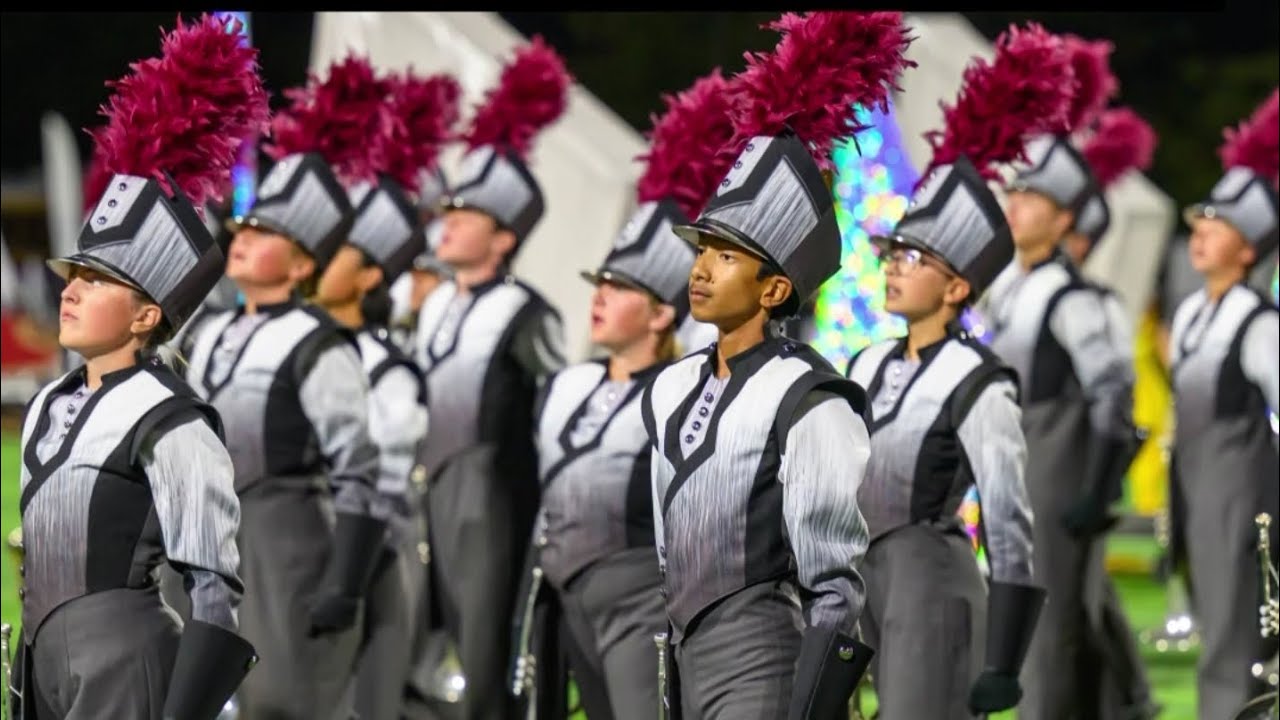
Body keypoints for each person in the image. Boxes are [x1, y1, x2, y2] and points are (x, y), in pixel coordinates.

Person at [642, 11, 916, 718]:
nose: (700, 269)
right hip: (681, 650)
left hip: (769, 656)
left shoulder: (809, 395)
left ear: (772, 288)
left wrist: (813, 708)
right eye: (701, 249)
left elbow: (836, 585)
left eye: (725, 255)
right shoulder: (672, 384)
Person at [10, 14, 265, 719]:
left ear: (148, 314)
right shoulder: (49, 401)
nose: (71, 289)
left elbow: (214, 586)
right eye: (73, 274)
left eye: (96, 281)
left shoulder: (170, 415)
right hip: (41, 661)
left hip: (128, 662)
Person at [844, 24, 1079, 715]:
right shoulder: (866, 359)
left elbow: (1007, 516)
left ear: (956, 289)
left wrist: (1004, 655)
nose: (892, 267)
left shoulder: (980, 379)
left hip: (931, 579)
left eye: (913, 260)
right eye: (892, 255)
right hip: (859, 574)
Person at [514, 67, 734, 720]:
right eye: (600, 283)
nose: (600, 298)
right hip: (563, 592)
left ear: (663, 313)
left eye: (622, 288)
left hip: (642, 597)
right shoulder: (566, 385)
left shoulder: (683, 392)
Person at [178, 56, 389, 720]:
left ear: (301, 262)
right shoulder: (208, 332)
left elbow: (358, 465)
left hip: (287, 546)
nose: (241, 238)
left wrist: (345, 580)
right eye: (242, 228)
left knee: (283, 704)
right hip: (204, 538)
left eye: (264, 233)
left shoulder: (318, 340)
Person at [408, 38, 570, 720]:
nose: (447, 224)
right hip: (430, 489)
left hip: (495, 498)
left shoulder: (527, 311)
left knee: (485, 653)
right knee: (418, 648)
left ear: (503, 237)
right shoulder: (434, 301)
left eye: (465, 216)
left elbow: (558, 407)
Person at [1169, 88, 1279, 720]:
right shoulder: (1191, 312)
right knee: (1213, 626)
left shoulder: (1259, 322)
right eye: (1201, 223)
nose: (1202, 234)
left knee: (1238, 643)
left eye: (1220, 227)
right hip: (1194, 486)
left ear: (1250, 248)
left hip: (1243, 493)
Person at [1054, 104, 1163, 720]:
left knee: (1087, 602)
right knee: (1079, 604)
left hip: (1082, 468)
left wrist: (1099, 481)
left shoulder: (1092, 304)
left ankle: (1132, 701)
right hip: (1056, 468)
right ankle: (1124, 701)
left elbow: (1112, 395)